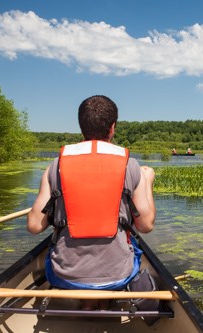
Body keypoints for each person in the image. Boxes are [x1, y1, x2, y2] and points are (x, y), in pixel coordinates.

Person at [27, 95, 156, 310]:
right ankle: (101, 299)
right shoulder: (131, 166)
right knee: (132, 242)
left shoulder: (55, 166)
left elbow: (34, 226)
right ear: (112, 127)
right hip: (118, 275)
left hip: (63, 275)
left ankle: (89, 300)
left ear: (81, 128)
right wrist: (148, 181)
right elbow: (146, 225)